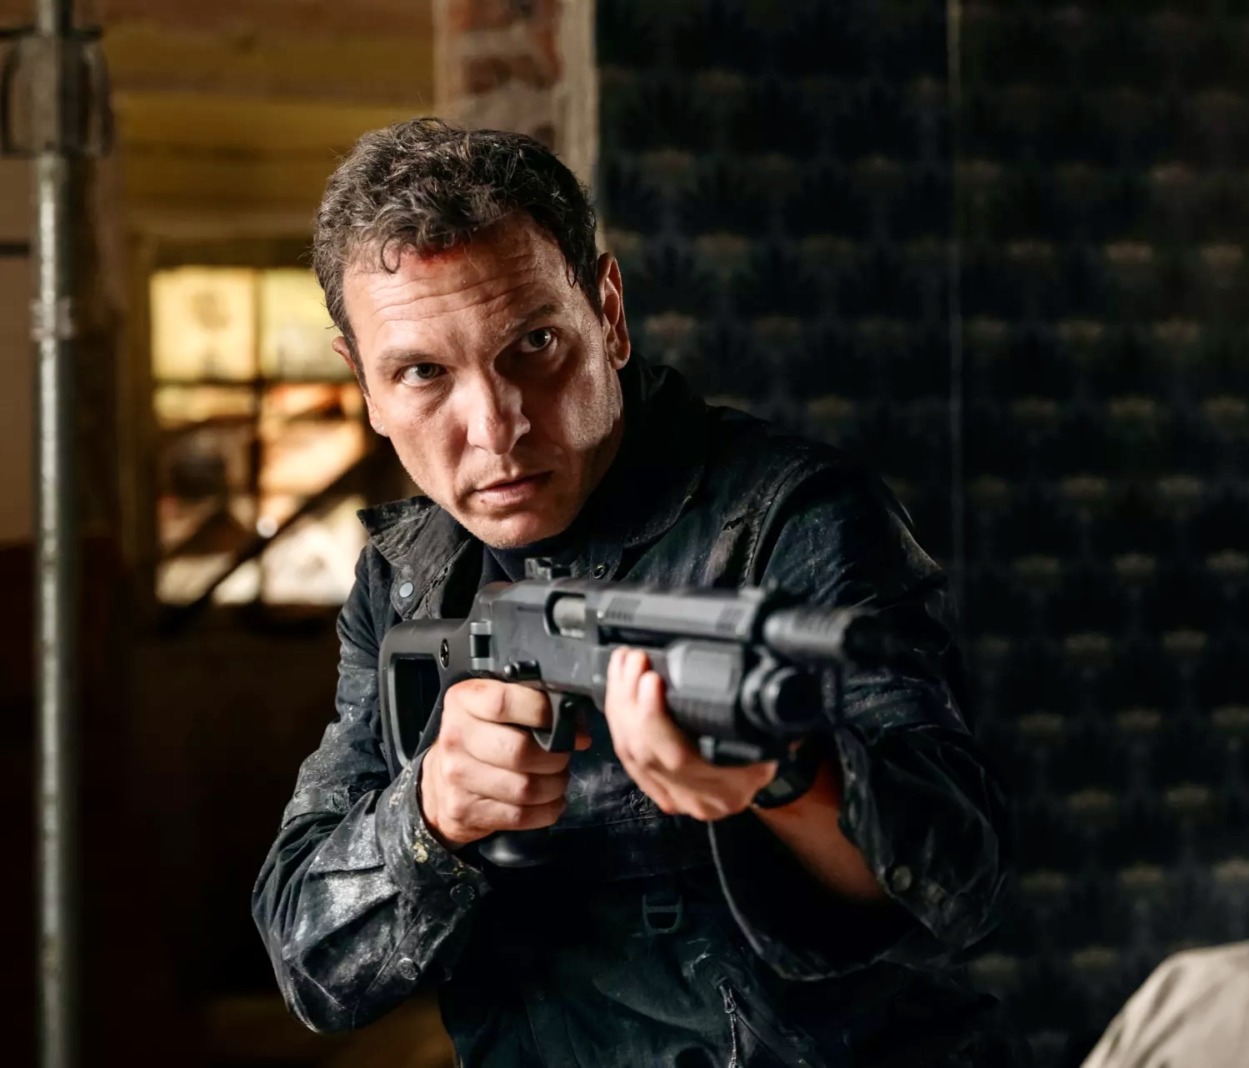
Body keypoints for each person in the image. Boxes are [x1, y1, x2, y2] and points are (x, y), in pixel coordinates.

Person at [251, 118, 1019, 1067]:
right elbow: (309, 963)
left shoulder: (788, 516)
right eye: (423, 374)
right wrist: (431, 815)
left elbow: (961, 883)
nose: (495, 427)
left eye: (534, 343)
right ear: (364, 385)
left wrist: (783, 779)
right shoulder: (407, 577)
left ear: (607, 312)